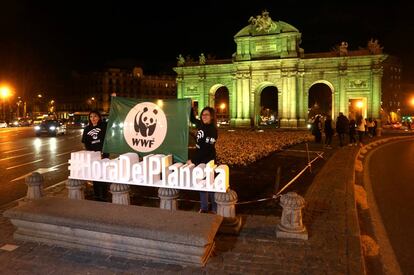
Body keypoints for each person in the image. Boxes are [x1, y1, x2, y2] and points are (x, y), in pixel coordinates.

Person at [187, 106, 218, 213]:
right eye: (203, 114)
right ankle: (204, 207)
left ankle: (214, 208)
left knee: (210, 183)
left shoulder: (212, 130)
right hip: (200, 158)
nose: (204, 116)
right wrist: (190, 106)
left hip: (209, 159)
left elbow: (207, 148)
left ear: (212, 117)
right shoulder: (201, 124)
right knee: (201, 182)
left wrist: (194, 160)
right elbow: (192, 119)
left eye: (207, 115)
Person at [81, 110, 109, 201]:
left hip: (103, 154)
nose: (93, 118)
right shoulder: (87, 129)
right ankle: (97, 194)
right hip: (93, 155)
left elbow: (107, 139)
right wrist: (91, 153)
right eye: (91, 117)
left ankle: (104, 194)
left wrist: (103, 152)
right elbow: (86, 143)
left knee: (103, 174)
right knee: (95, 175)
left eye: (95, 116)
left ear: (99, 117)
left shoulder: (104, 126)